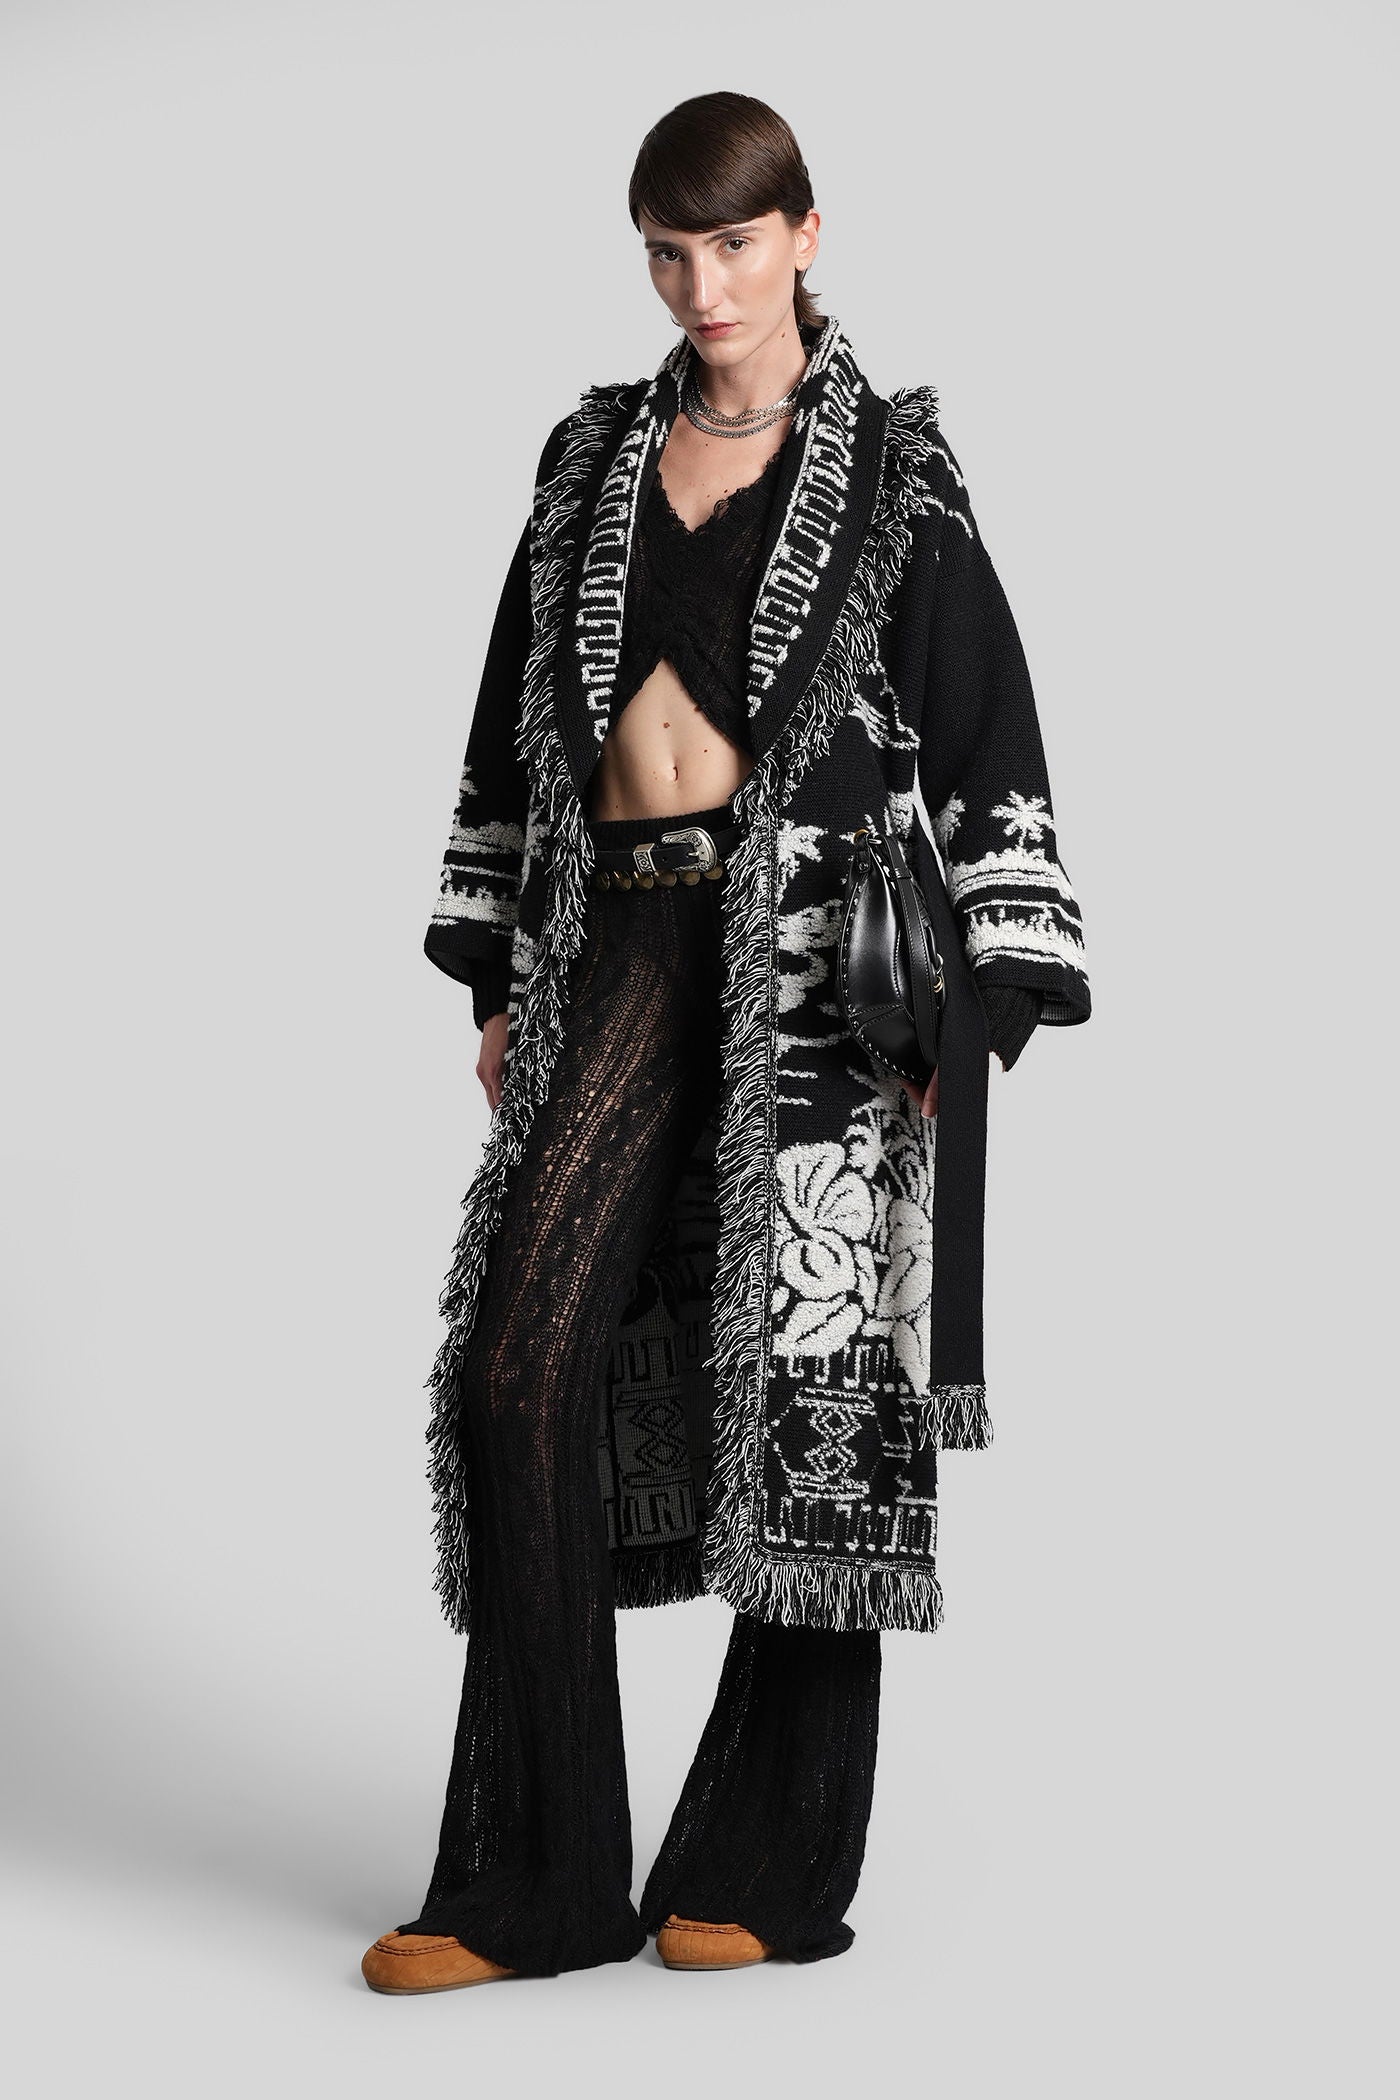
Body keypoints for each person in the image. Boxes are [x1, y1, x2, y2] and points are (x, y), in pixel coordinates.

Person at [362, 90, 1091, 1995]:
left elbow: (988, 725)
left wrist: (982, 1008)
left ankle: (769, 1866)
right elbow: (507, 708)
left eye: (737, 245)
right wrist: (493, 971)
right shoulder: (590, 459)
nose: (704, 287)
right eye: (670, 254)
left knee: (813, 1399)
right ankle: (532, 1880)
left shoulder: (898, 477)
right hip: (618, 936)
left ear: (807, 237)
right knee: (520, 1365)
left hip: (824, 976)